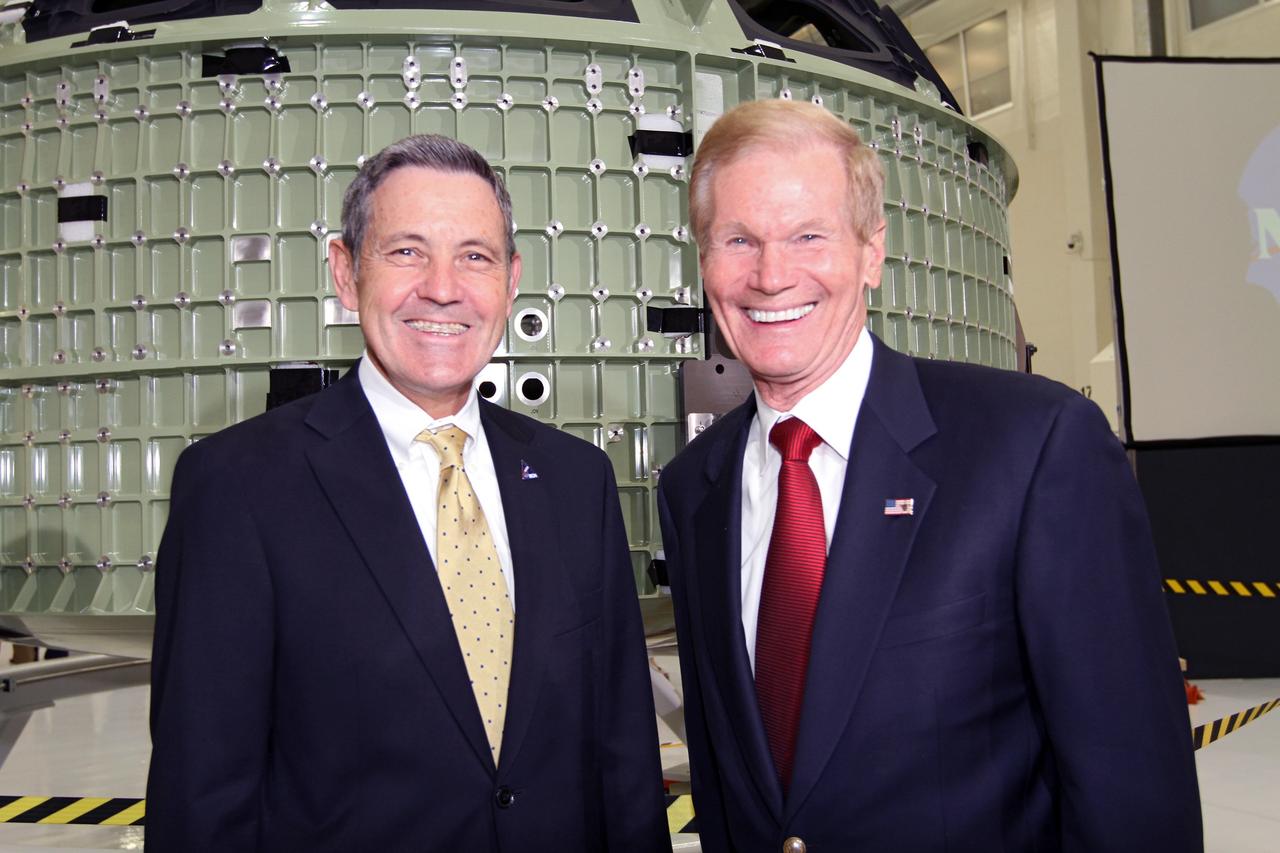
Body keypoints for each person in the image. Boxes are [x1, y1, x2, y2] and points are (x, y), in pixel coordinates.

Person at [656, 100, 1201, 852]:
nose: (771, 275)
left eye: (809, 235)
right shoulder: (694, 488)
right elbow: (726, 779)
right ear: (704, 260)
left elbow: (1130, 787)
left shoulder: (1033, 446)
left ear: (872, 251)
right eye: (739, 239)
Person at [147, 134, 671, 852]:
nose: (443, 287)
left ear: (511, 280)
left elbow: (624, 756)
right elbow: (202, 794)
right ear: (345, 272)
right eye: (406, 251)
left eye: (475, 256)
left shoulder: (576, 480)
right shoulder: (238, 487)